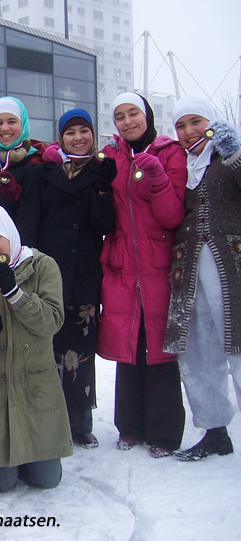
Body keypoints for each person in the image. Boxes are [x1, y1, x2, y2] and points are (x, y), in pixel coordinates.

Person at [17, 109, 117, 448]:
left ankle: (78, 420)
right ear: (61, 136)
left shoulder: (102, 172)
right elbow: (28, 223)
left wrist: (104, 191)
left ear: (92, 135)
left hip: (85, 273)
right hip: (48, 275)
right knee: (47, 349)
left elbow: (104, 227)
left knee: (80, 351)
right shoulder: (42, 173)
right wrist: (27, 269)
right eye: (70, 132)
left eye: (83, 131)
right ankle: (46, 416)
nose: (78, 137)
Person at [97, 92, 187, 458]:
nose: (127, 121)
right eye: (120, 116)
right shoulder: (112, 156)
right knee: (129, 345)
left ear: (147, 115)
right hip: (122, 262)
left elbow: (172, 216)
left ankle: (164, 433)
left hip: (158, 262)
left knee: (160, 347)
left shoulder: (171, 153)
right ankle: (130, 426)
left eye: (133, 113)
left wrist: (160, 179)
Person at [0, 202, 71, 492]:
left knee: (46, 480)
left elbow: (51, 321)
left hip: (34, 386)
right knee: (1, 484)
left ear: (9, 233)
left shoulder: (43, 266)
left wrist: (14, 293)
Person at [164, 97, 241, 461]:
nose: (189, 131)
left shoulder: (229, 157)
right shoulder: (184, 167)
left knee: (239, 348)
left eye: (196, 122)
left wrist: (235, 152)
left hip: (232, 268)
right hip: (190, 271)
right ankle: (214, 431)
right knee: (197, 350)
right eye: (181, 125)